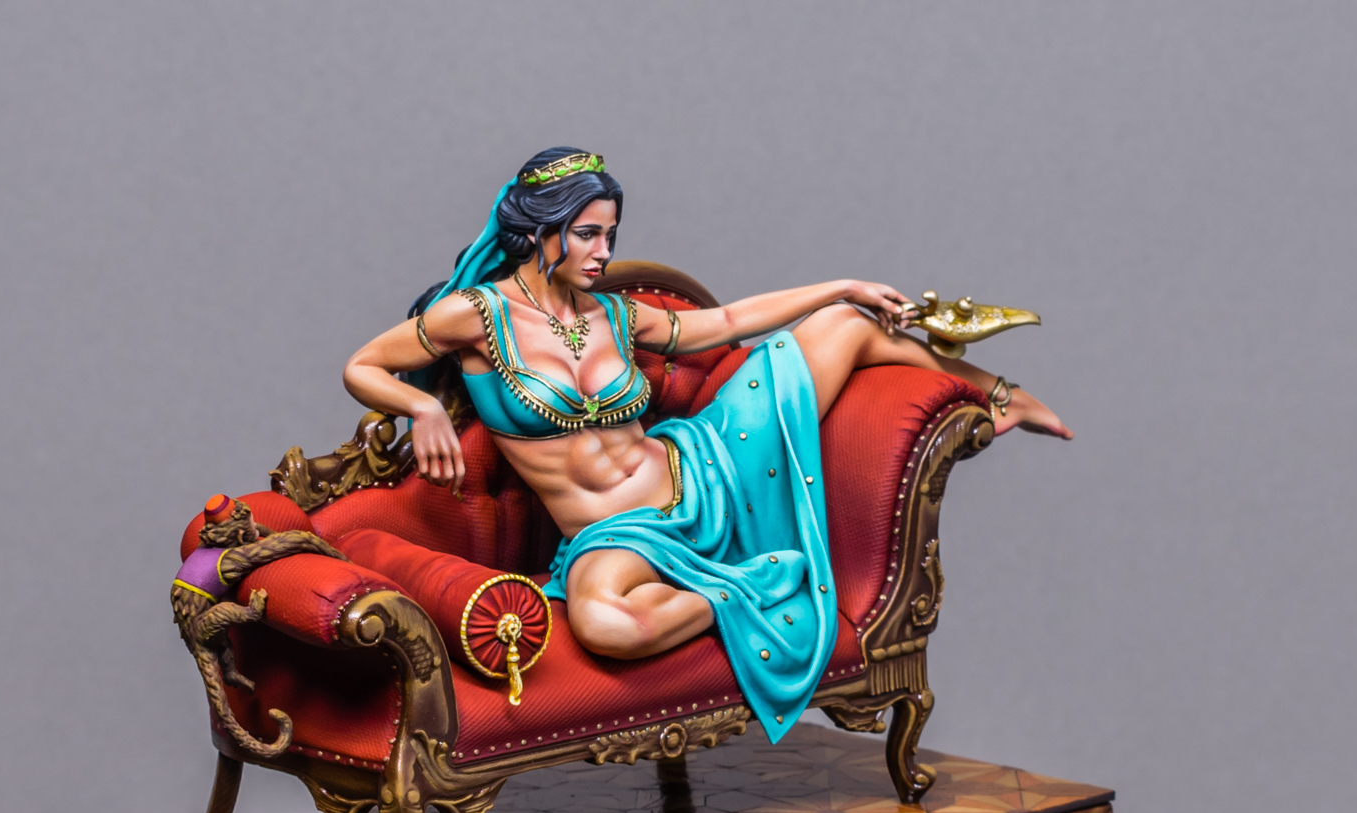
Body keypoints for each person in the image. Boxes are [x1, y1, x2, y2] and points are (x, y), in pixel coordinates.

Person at [344, 147, 1071, 742]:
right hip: (621, 537)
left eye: (611, 235)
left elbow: (725, 324)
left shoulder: (615, 314)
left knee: (847, 326)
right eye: (589, 234)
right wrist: (421, 407)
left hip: (710, 470)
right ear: (542, 229)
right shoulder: (476, 316)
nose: (604, 252)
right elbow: (363, 366)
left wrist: (840, 286)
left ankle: (999, 394)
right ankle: (751, 584)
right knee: (605, 622)